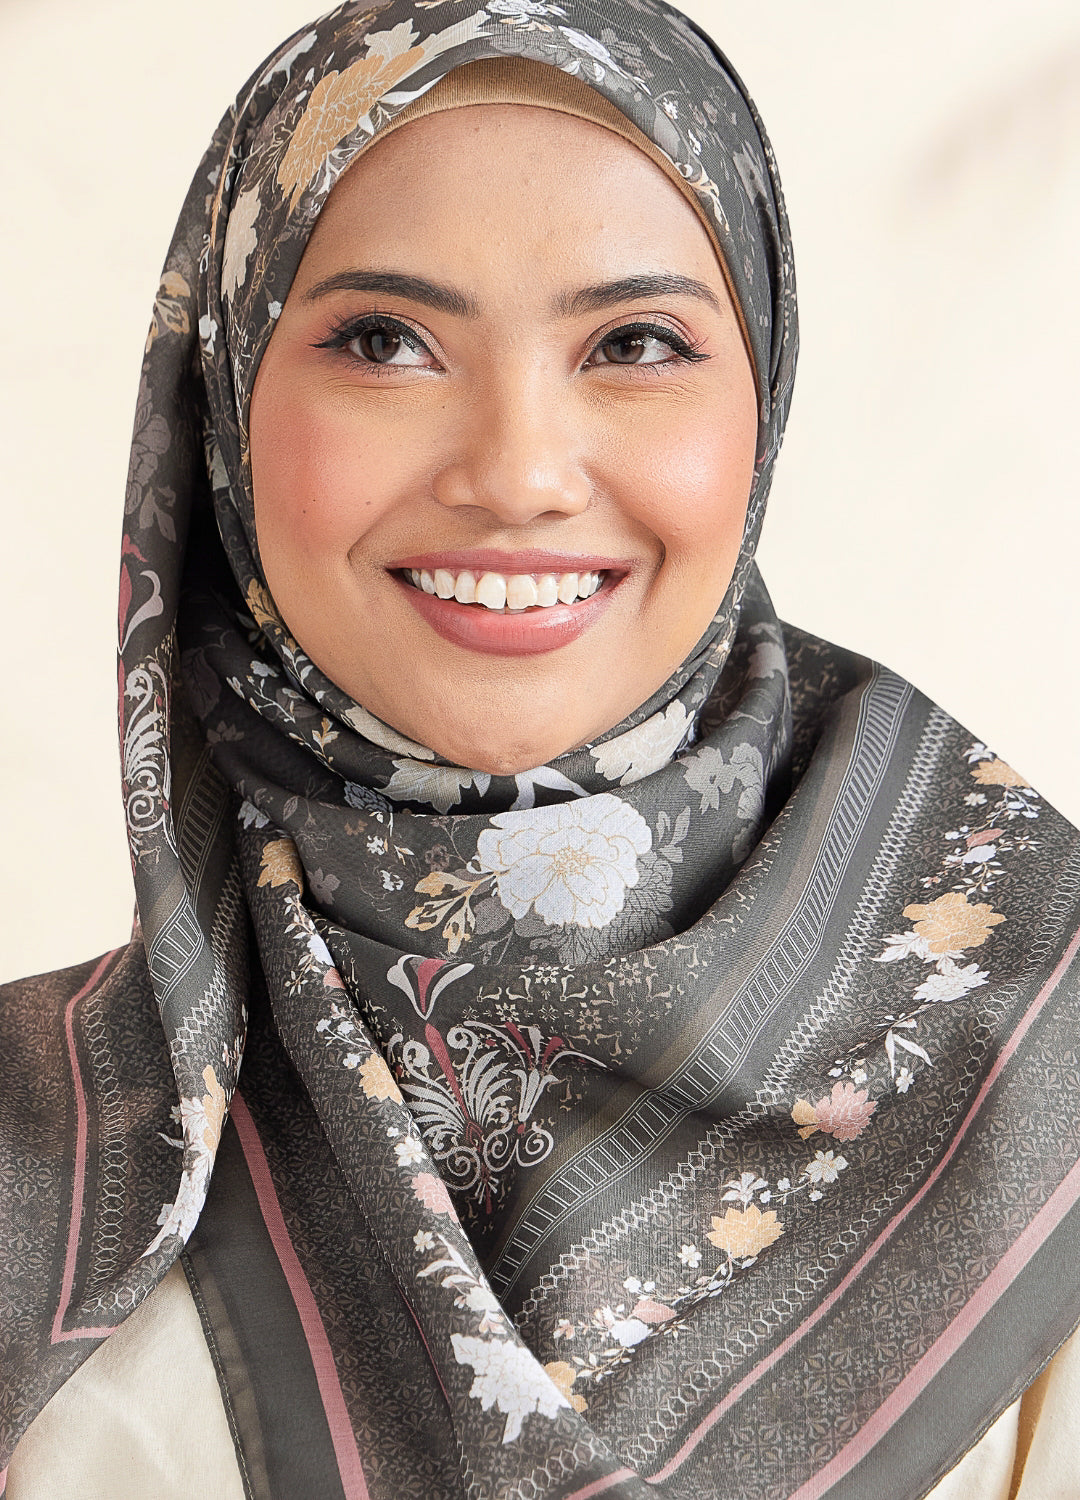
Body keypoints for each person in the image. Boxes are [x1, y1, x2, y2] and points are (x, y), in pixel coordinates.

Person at [2, 1, 1078, 1496]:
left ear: (758, 402)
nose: (515, 473)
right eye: (385, 341)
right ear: (228, 405)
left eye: (635, 343)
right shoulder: (32, 1167)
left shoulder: (1045, 1057)